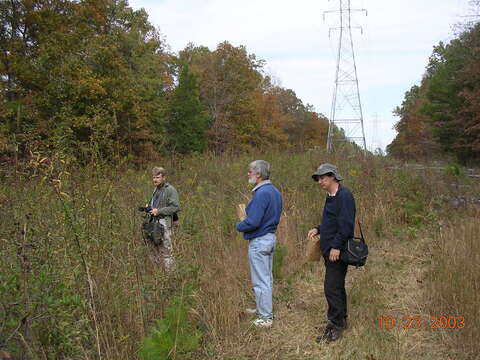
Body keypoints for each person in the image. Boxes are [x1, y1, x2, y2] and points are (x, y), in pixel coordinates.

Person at [307, 163, 356, 343]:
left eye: (323, 177)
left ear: (333, 177)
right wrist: (318, 229)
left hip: (337, 251)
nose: (320, 181)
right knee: (336, 286)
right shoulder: (331, 196)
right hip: (329, 250)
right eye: (318, 178)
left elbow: (346, 226)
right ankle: (341, 319)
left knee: (331, 288)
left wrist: (336, 246)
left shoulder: (344, 196)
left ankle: (335, 326)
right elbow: (332, 222)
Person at [236, 160, 283, 328]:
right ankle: (262, 309)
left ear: (259, 175)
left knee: (260, 280)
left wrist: (239, 225)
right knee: (266, 278)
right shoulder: (274, 191)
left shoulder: (262, 193)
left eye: (250, 172)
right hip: (269, 238)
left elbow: (253, 222)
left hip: (260, 240)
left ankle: (265, 318)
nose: (248, 174)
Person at [147, 166, 180, 270]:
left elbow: (175, 207)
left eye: (157, 177)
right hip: (153, 224)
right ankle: (158, 277)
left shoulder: (170, 189)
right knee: (153, 251)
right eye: (153, 177)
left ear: (164, 178)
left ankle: (171, 277)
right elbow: (157, 205)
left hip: (164, 223)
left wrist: (159, 211)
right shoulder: (155, 190)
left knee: (167, 252)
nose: (155, 180)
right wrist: (149, 207)